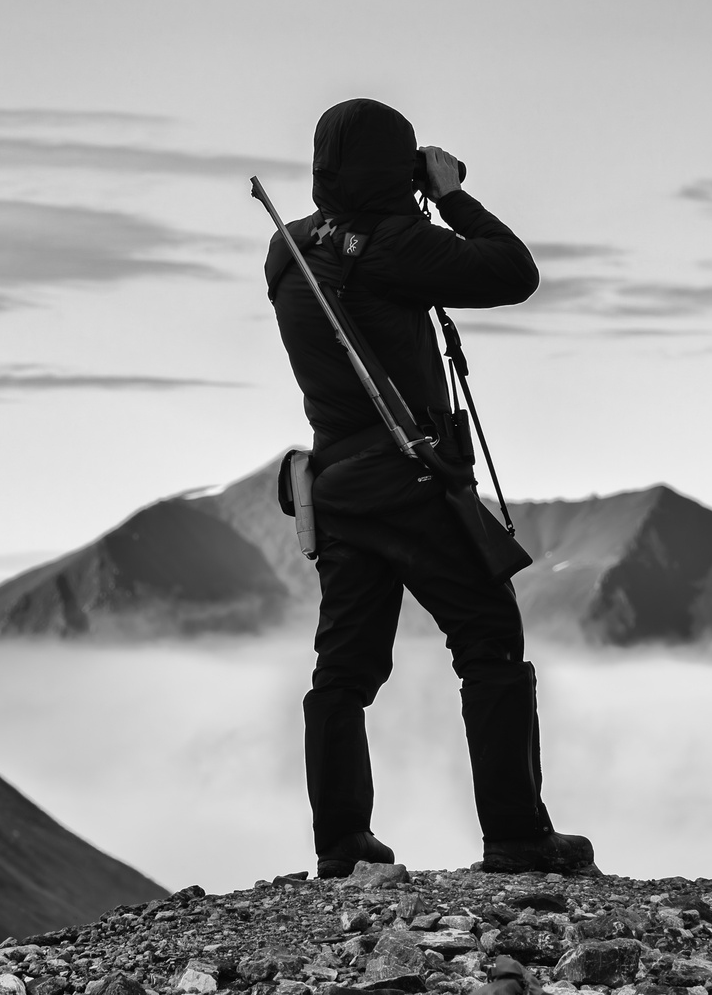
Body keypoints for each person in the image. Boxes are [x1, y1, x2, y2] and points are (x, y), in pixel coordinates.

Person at [263, 98, 594, 878]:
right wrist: (447, 193)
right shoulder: (398, 244)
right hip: (410, 483)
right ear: (393, 165)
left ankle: (342, 843)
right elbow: (513, 273)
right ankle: (517, 837)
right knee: (488, 642)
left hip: (336, 484)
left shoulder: (286, 251)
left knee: (343, 668)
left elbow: (352, 256)